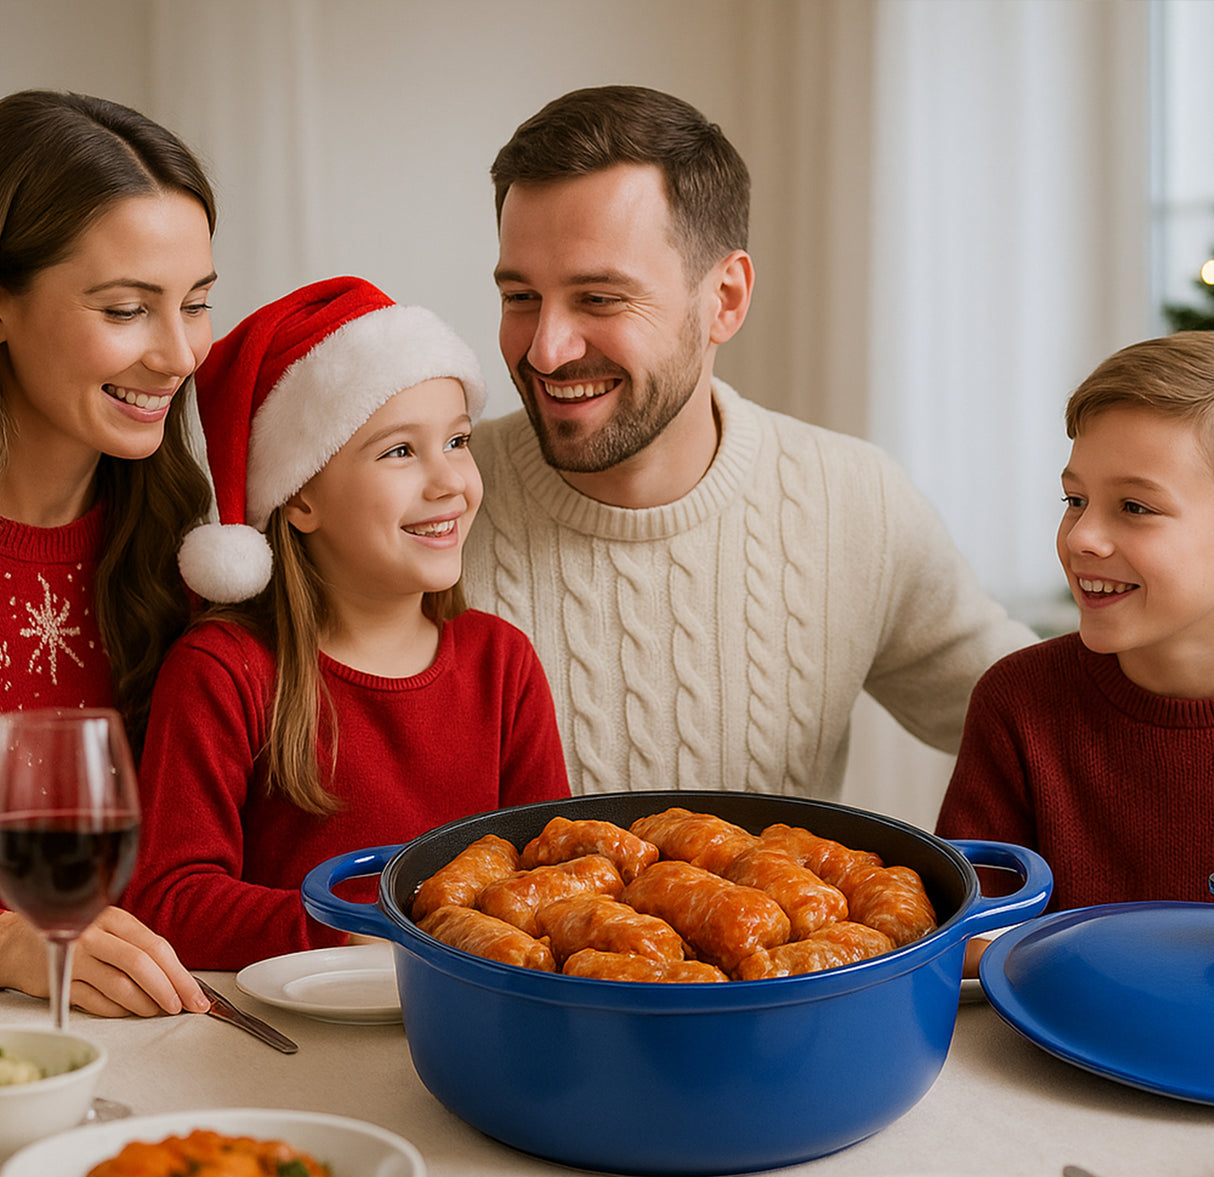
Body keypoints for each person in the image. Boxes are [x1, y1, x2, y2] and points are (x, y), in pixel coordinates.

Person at [461, 85, 1035, 800]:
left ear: (724, 299)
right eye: (521, 297)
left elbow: (1058, 722)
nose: (546, 350)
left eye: (599, 299)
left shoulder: (857, 502)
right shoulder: (428, 508)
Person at [124, 277, 570, 971]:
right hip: (288, 1027)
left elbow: (556, 874)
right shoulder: (224, 671)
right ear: (300, 497)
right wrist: (363, 934)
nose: (450, 481)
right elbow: (171, 901)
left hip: (469, 1016)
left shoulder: (502, 663)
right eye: (400, 451)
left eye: (457, 440)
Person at [0, 88, 215, 1017]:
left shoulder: (186, 549)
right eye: (127, 309)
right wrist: (9, 941)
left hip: (150, 1039)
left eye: (197, 304)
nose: (179, 354)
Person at [937, 330, 1214, 914]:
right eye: (1074, 500)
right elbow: (968, 936)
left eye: (1135, 507)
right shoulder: (1019, 701)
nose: (1082, 537)